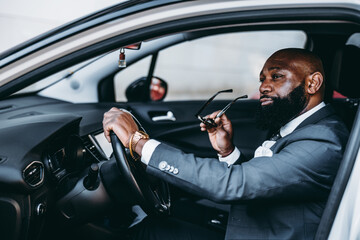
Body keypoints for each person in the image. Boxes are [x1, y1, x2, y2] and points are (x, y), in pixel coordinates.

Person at [103, 48, 349, 240]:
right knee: (167, 219)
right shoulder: (300, 126)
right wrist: (228, 151)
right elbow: (265, 183)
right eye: (262, 78)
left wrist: (139, 143)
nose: (263, 87)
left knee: (151, 234)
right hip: (256, 226)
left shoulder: (323, 141)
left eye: (277, 76)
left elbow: (236, 184)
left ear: (312, 83)